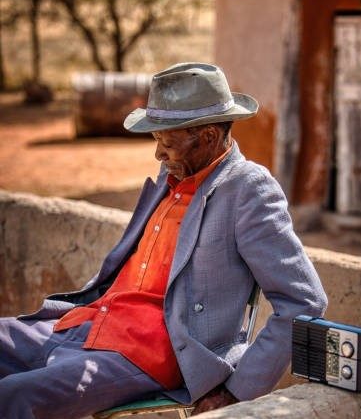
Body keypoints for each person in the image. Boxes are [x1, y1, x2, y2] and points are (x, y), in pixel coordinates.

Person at [0, 62, 327, 419]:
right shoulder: (174, 173)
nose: (158, 154)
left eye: (166, 143)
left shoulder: (249, 190)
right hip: (89, 322)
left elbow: (304, 301)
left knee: (13, 396)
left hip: (148, 352)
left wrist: (237, 392)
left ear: (208, 137)